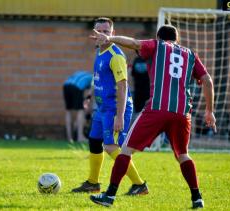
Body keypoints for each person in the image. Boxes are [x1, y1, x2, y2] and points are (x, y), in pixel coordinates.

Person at [89, 25, 216, 209]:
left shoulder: (157, 45)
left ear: (158, 36)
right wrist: (209, 111)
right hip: (181, 113)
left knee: (125, 150)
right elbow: (207, 80)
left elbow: (133, 43)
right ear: (177, 39)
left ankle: (109, 196)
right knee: (183, 155)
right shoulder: (190, 54)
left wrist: (110, 39)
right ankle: (197, 198)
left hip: (156, 109)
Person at [71, 17, 148, 195]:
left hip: (115, 107)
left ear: (112, 34)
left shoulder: (116, 56)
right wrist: (90, 98)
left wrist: (120, 116)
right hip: (102, 107)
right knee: (94, 140)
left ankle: (139, 184)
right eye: (98, 31)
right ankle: (92, 182)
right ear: (94, 34)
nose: (102, 34)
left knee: (111, 146)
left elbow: (123, 86)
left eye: (106, 31)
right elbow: (97, 78)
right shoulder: (99, 52)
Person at [63, 70, 93, 142]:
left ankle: (69, 138)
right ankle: (80, 137)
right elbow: (90, 93)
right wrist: (87, 104)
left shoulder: (83, 74)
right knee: (81, 110)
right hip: (77, 87)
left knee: (68, 110)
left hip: (66, 85)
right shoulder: (94, 78)